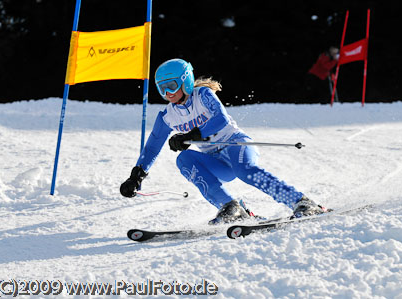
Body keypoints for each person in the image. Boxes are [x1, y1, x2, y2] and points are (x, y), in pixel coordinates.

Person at [120, 58, 329, 224]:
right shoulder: (167, 115)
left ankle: (302, 202)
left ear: (186, 81)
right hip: (215, 159)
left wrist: (190, 135)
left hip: (236, 144)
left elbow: (219, 119)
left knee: (244, 170)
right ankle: (231, 207)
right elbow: (152, 146)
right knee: (184, 159)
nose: (168, 93)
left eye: (172, 86)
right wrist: (137, 175)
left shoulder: (203, 94)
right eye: (162, 88)